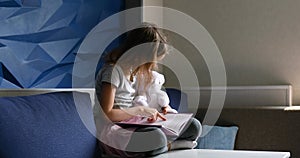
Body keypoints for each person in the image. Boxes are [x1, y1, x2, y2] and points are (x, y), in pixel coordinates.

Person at [93, 22, 202, 157]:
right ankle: (170, 146)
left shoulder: (133, 71)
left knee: (194, 126)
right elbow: (107, 114)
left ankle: (163, 146)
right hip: (114, 130)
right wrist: (141, 110)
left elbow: (146, 97)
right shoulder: (112, 72)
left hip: (135, 124)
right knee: (156, 138)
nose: (151, 65)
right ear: (139, 54)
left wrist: (164, 108)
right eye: (151, 60)